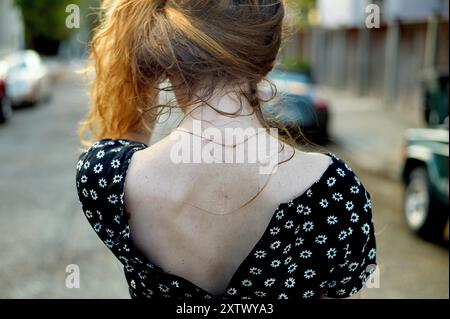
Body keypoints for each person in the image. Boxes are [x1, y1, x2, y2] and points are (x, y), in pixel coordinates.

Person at [75, 0, 376, 299]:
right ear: (268, 58)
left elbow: (128, 138)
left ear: (165, 60)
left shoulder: (105, 175)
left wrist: (141, 77)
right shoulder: (336, 193)